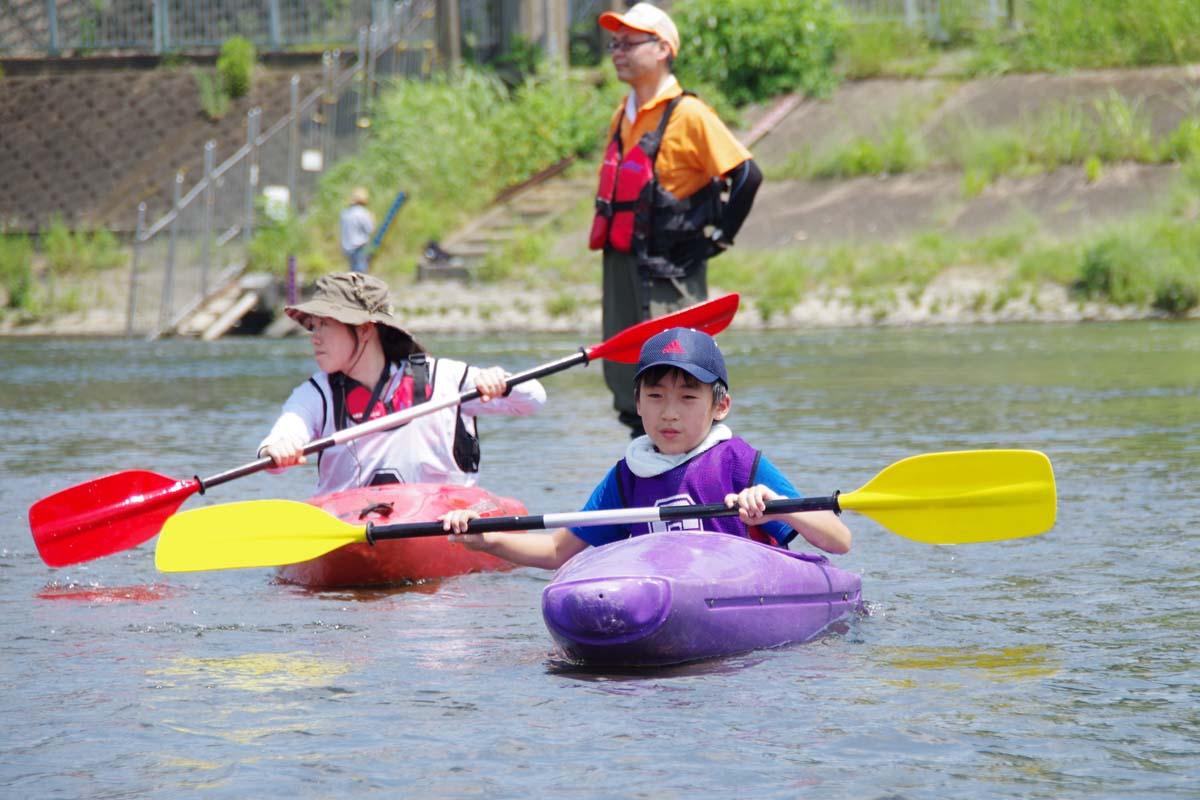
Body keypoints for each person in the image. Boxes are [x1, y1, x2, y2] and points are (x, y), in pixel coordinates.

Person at [440, 327, 851, 569]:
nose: (669, 413)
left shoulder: (737, 461)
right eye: (655, 397)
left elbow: (838, 540)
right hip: (661, 598)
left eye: (688, 398)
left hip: (742, 593)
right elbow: (557, 549)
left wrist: (775, 502)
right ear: (637, 404)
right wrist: (487, 540)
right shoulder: (628, 474)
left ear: (720, 406)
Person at [590, 3, 763, 437]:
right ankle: (642, 463)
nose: (618, 52)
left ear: (663, 48)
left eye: (629, 43)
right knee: (629, 379)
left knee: (678, 373)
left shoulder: (689, 114)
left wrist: (718, 239)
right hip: (623, 266)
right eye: (615, 43)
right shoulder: (622, 113)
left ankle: (700, 470)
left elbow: (746, 175)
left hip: (670, 271)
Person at [258, 272, 546, 495]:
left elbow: (534, 399)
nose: (314, 337)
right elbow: (287, 431)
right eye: (312, 326)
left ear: (364, 329)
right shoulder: (315, 394)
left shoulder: (444, 377)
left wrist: (502, 381)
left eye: (325, 325)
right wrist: (277, 448)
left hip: (442, 519)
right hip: (352, 528)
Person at [340, 187, 376, 273]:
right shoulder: (363, 213)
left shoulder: (345, 213)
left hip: (347, 247)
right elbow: (370, 229)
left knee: (353, 273)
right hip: (359, 247)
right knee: (360, 274)